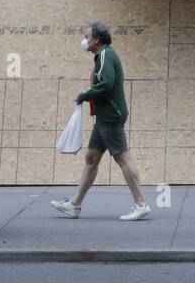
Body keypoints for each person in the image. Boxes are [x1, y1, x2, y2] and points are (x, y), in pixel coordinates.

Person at [51, 22, 151, 221]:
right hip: (104, 117)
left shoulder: (106, 55)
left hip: (110, 117)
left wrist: (85, 94)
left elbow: (106, 84)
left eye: (86, 36)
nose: (84, 40)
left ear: (97, 39)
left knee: (123, 158)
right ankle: (75, 205)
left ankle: (141, 204)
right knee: (91, 159)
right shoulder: (103, 55)